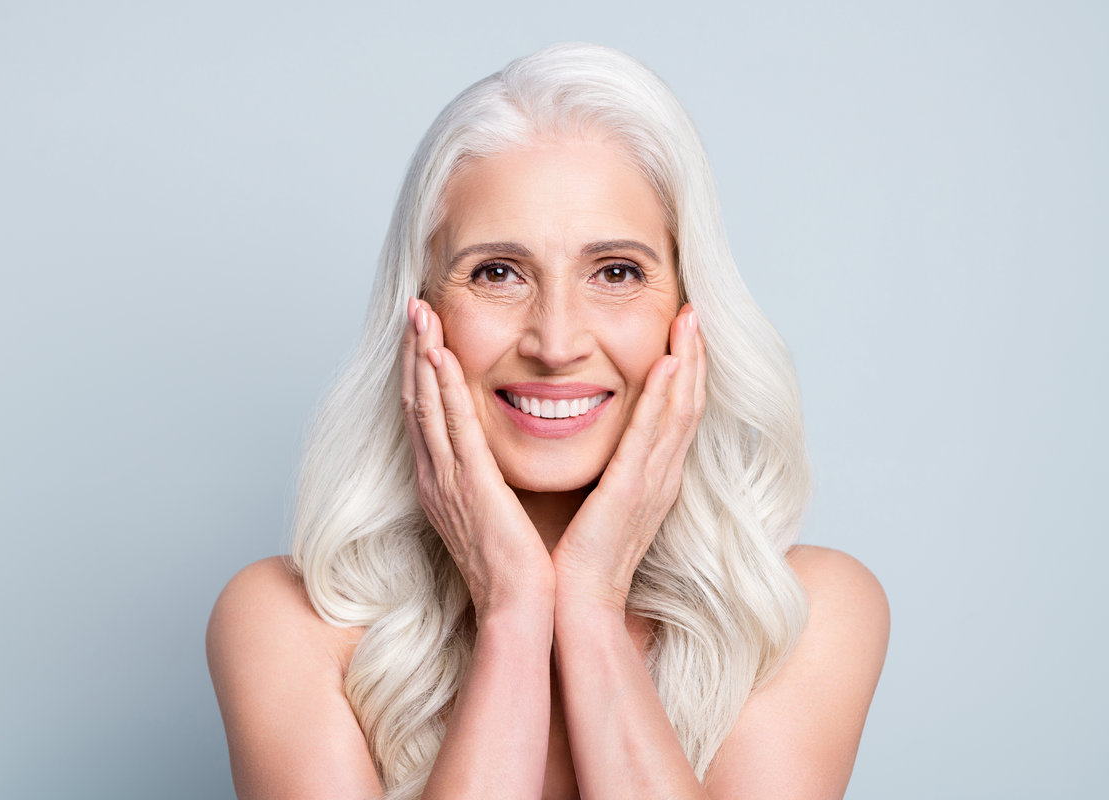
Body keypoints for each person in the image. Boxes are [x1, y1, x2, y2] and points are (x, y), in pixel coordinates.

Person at [206, 43, 889, 800]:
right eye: (497, 272)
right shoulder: (285, 626)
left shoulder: (803, 615)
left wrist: (590, 604)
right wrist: (512, 613)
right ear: (422, 311)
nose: (557, 343)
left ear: (690, 312)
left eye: (616, 272)